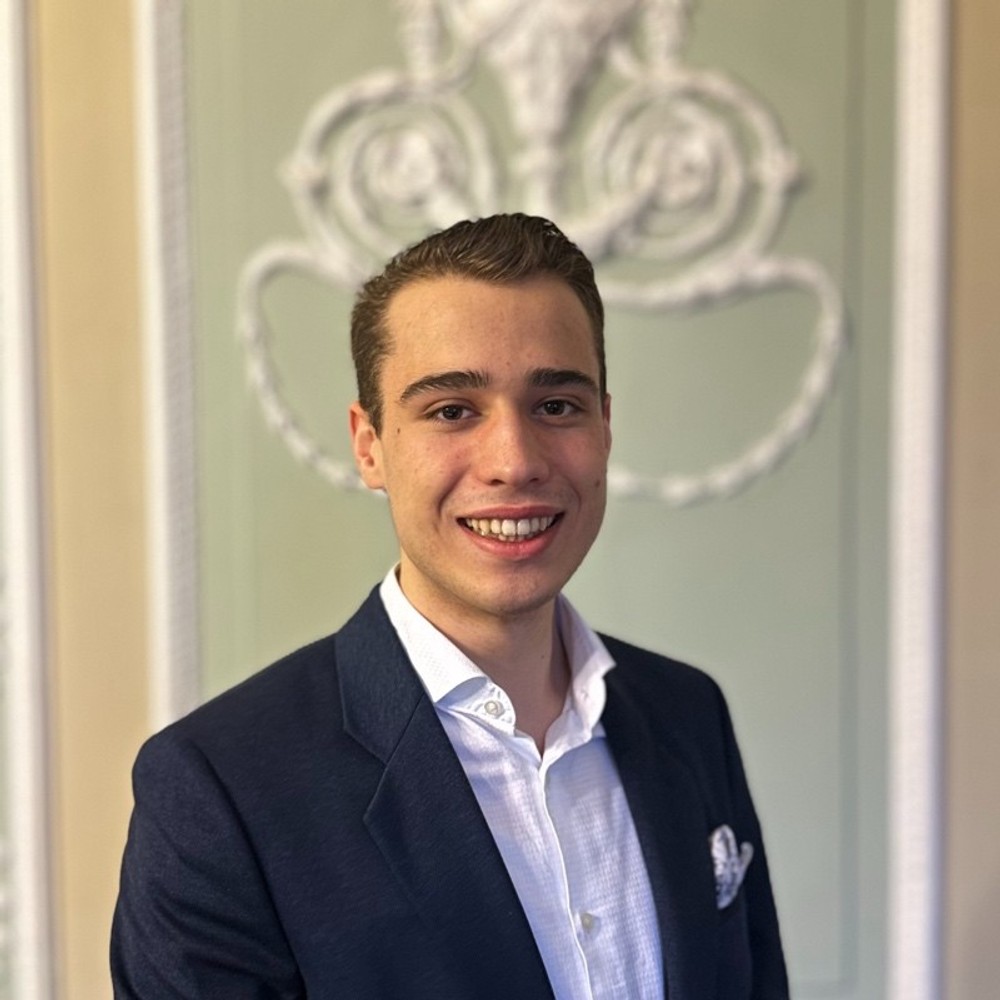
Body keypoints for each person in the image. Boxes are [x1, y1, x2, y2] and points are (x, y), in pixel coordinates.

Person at [111, 214, 788, 999]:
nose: (515, 462)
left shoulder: (688, 713)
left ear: (605, 427)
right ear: (369, 445)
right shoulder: (218, 789)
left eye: (556, 406)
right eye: (452, 410)